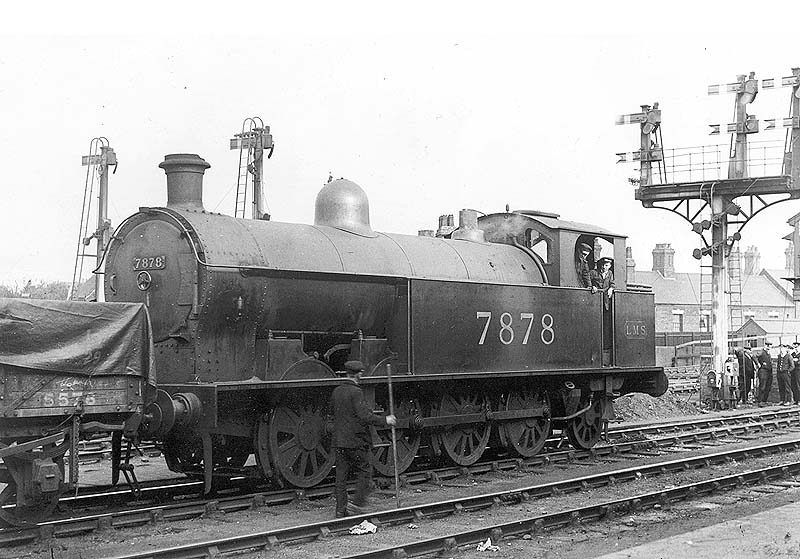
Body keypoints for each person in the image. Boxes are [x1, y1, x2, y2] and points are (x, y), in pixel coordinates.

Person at [330, 360, 396, 518]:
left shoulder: (336, 391)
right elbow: (365, 416)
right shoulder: (356, 392)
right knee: (365, 471)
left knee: (341, 476)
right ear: (358, 374)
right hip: (356, 441)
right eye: (361, 373)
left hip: (339, 441)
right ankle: (358, 504)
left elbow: (332, 414)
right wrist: (385, 420)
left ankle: (340, 510)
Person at [755, 341, 774, 406]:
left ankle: (764, 400)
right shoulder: (761, 352)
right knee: (762, 386)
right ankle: (760, 401)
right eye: (767, 345)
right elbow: (755, 356)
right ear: (765, 346)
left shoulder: (768, 353)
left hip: (769, 372)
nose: (768, 347)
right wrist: (758, 364)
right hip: (763, 371)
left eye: (770, 345)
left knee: (768, 387)